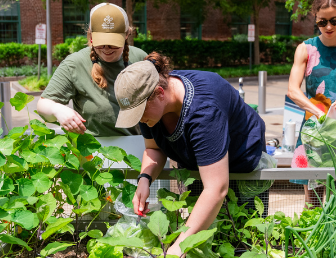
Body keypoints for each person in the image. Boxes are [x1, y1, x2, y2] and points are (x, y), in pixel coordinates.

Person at [114, 52, 268, 256]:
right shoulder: (150, 108)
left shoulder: (203, 111)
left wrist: (178, 247)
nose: (139, 120)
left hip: (242, 164)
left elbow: (216, 188)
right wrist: (145, 179)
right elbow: (154, 148)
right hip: (201, 168)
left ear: (160, 93)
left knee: (240, 242)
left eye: (140, 113)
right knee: (202, 240)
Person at [37, 3, 147, 136]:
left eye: (113, 43)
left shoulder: (141, 58)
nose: (106, 49)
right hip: (91, 151)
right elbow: (43, 105)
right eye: (101, 43)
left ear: (126, 34)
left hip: (137, 146)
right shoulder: (74, 64)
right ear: (90, 35)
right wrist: (57, 109)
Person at [288, 0, 336, 208]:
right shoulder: (306, 49)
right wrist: (319, 113)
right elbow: (293, 90)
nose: (329, 27)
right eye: (323, 22)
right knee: (314, 203)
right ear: (315, 19)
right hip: (315, 133)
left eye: (335, 20)